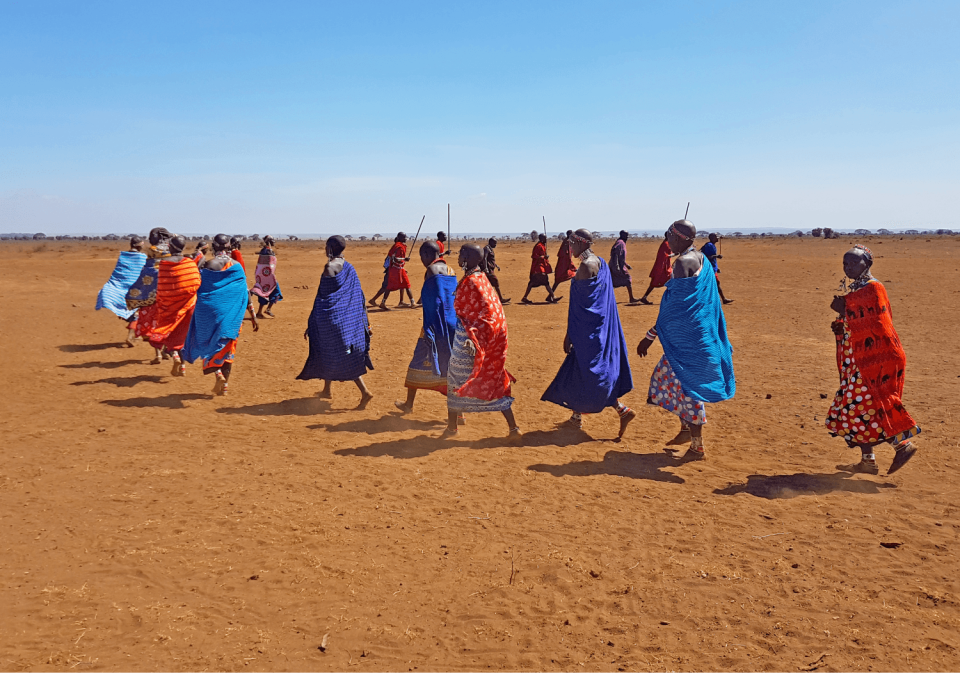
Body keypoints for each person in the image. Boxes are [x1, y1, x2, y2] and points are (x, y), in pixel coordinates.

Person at [636, 220, 736, 462]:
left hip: (688, 340)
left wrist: (650, 336)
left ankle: (697, 445)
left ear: (679, 237)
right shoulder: (702, 258)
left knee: (688, 387)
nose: (666, 240)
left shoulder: (682, 263)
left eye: (668, 235)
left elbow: (675, 309)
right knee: (666, 378)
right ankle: (684, 429)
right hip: (698, 334)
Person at [826, 245, 920, 475]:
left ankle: (902, 445)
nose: (848, 267)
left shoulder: (873, 288)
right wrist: (841, 325)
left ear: (866, 264)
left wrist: (846, 308)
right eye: (845, 264)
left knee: (865, 404)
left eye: (853, 263)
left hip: (879, 359)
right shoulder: (857, 289)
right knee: (854, 407)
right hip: (862, 360)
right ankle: (868, 461)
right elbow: (857, 326)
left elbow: (878, 325)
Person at [542, 229, 636, 437]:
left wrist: (570, 334)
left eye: (572, 244)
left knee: (590, 372)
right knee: (578, 370)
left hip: (588, 330)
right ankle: (576, 418)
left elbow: (581, 307)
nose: (570, 248)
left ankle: (622, 410)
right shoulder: (600, 262)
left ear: (580, 243)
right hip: (599, 328)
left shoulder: (586, 266)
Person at [443, 244, 520, 439]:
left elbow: (485, 315)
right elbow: (492, 312)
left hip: (469, 342)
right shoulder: (481, 278)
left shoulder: (472, 281)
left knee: (454, 380)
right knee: (493, 380)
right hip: (476, 339)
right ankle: (513, 428)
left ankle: (452, 429)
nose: (458, 256)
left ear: (468, 258)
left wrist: (474, 338)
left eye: (461, 253)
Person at [297, 236, 374, 409]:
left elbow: (323, 299)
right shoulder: (349, 268)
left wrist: (312, 323)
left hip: (329, 321)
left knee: (338, 355)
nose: (324, 249)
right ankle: (327, 390)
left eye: (326, 246)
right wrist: (365, 322)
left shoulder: (330, 267)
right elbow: (359, 298)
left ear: (330, 248)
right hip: (346, 321)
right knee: (328, 352)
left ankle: (365, 392)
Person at [182, 234, 259, 396]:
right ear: (228, 247)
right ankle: (224, 385)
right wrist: (253, 315)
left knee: (208, 344)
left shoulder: (209, 265)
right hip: (232, 318)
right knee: (228, 350)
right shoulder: (237, 267)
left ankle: (218, 375)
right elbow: (245, 293)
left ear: (214, 247)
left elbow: (199, 287)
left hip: (210, 315)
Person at [395, 241, 458, 414]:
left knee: (417, 360)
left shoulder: (431, 270)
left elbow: (433, 301)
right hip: (453, 324)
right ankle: (459, 413)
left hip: (435, 325)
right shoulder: (452, 271)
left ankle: (409, 405)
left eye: (422, 256)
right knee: (450, 367)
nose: (422, 260)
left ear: (427, 255)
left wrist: (430, 326)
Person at [147, 236, 206, 376]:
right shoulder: (190, 263)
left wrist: (164, 301)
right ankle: (182, 368)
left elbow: (161, 287)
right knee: (183, 336)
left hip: (169, 307)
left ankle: (176, 357)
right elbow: (196, 282)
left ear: (170, 247)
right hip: (188, 306)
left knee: (170, 334)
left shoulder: (164, 264)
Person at [126, 227, 173, 363]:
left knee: (153, 321)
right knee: (166, 321)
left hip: (153, 292)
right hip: (169, 290)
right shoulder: (172, 248)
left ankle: (158, 354)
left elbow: (148, 269)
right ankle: (165, 350)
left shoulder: (152, 250)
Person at [96, 236, 147, 347]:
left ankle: (139, 334)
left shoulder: (123, 256)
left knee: (133, 313)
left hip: (118, 290)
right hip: (133, 291)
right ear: (139, 246)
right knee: (136, 314)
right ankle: (130, 337)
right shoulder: (142, 258)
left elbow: (119, 274)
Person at [521, 234, 559, 304]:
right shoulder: (538, 246)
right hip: (538, 268)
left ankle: (525, 297)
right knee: (543, 281)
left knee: (533, 283)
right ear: (541, 239)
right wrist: (543, 257)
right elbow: (534, 256)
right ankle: (553, 296)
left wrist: (545, 257)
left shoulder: (542, 245)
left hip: (541, 267)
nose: (546, 240)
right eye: (545, 238)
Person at [252, 236, 283, 318]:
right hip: (269, 276)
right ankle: (268, 309)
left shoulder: (263, 250)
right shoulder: (269, 251)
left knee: (263, 292)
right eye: (272, 241)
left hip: (262, 276)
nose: (274, 242)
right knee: (277, 292)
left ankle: (259, 312)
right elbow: (269, 265)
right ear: (269, 241)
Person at [638, 236, 673, 304]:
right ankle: (670, 299)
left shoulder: (666, 243)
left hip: (663, 266)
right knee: (667, 282)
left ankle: (644, 297)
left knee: (667, 282)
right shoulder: (665, 244)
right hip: (663, 267)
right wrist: (674, 254)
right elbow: (665, 256)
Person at [700, 233, 733, 304]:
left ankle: (722, 299)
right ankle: (722, 299)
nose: (717, 238)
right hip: (709, 268)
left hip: (712, 268)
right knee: (715, 284)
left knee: (714, 284)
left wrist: (717, 267)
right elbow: (707, 257)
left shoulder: (712, 245)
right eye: (716, 237)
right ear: (712, 238)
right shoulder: (709, 246)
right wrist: (716, 256)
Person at [609, 230, 641, 303]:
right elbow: (615, 255)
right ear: (622, 235)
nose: (627, 237)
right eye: (626, 235)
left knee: (613, 282)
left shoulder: (621, 243)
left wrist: (626, 265)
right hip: (616, 266)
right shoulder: (620, 243)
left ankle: (609, 299)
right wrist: (616, 267)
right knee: (627, 279)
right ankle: (631, 298)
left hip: (618, 265)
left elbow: (620, 257)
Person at [482, 238, 510, 304]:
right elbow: (484, 258)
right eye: (494, 243)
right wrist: (485, 268)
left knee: (488, 284)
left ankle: (488, 299)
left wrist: (496, 265)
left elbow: (490, 259)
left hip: (491, 268)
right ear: (490, 242)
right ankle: (501, 299)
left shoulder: (490, 248)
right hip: (488, 269)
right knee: (495, 281)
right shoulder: (486, 249)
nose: (495, 245)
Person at [550, 230, 577, 294]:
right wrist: (573, 266)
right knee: (575, 276)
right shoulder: (567, 243)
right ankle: (577, 294)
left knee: (558, 280)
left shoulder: (566, 241)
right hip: (564, 265)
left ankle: (550, 295)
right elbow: (568, 257)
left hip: (562, 264)